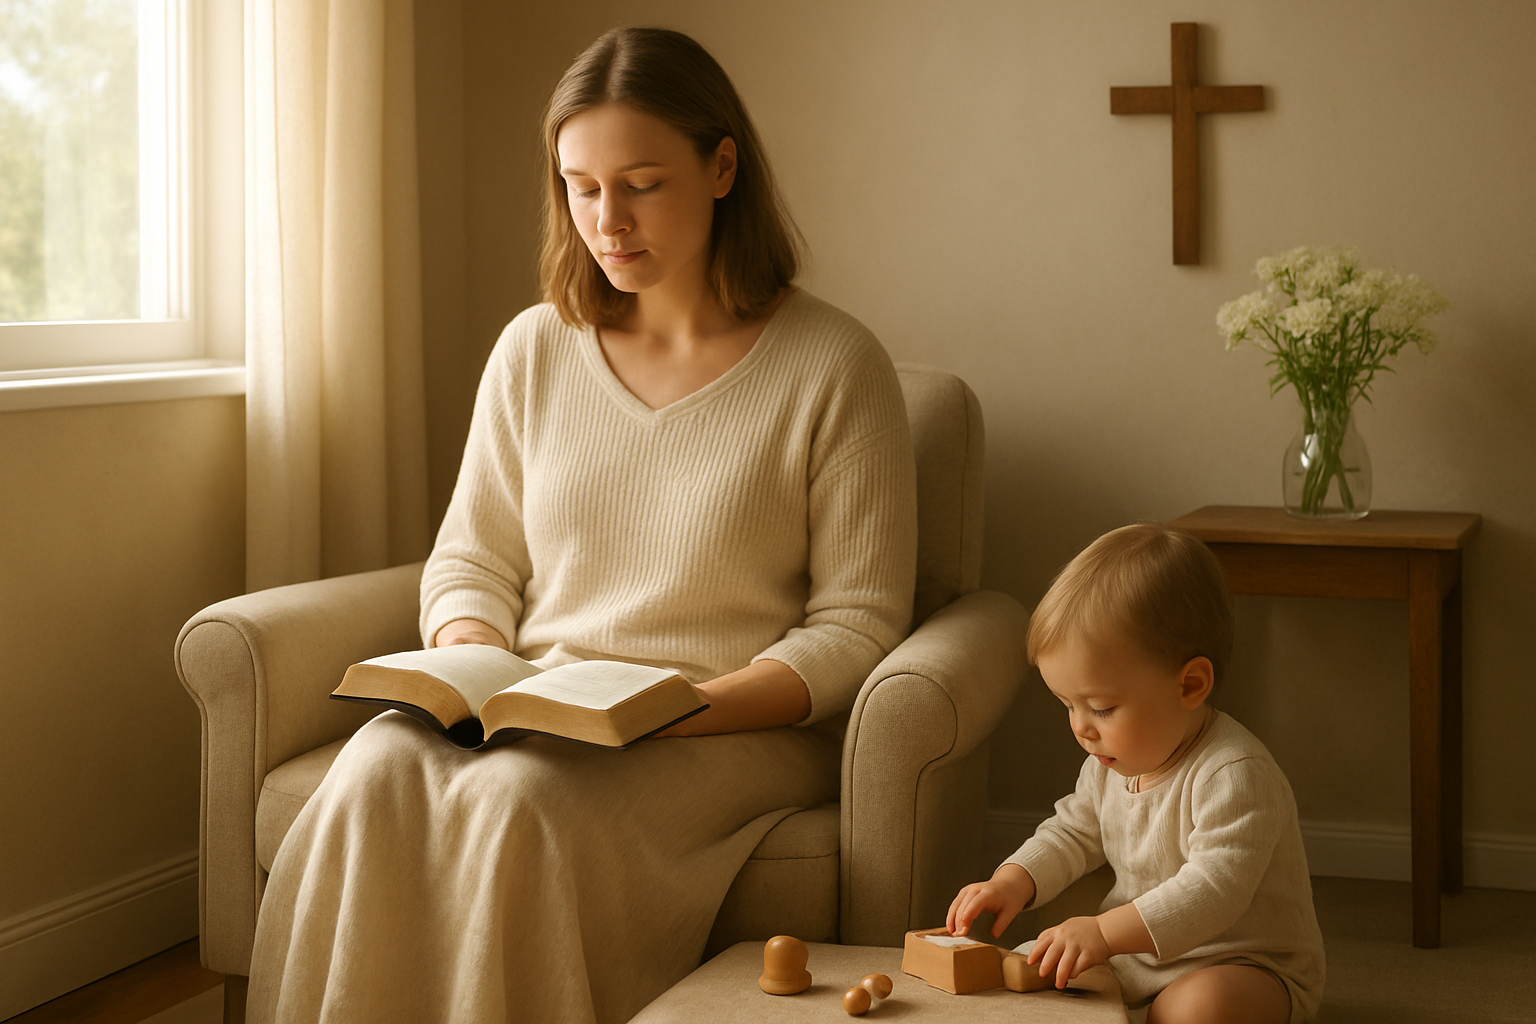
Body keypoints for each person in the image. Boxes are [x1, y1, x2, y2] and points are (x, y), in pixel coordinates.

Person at [245, 26, 917, 1024]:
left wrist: (687, 704)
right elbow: (471, 559)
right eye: (580, 185)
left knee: (520, 803)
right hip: (547, 703)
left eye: (641, 183)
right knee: (380, 763)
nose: (608, 219)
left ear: (722, 165)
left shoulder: (835, 365)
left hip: (729, 722)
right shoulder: (532, 348)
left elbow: (859, 625)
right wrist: (476, 664)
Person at [946, 524, 1325, 1024]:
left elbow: (1214, 890)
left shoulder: (1235, 774)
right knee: (1027, 969)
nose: (1081, 728)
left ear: (1190, 685)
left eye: (1101, 708)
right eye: (1067, 705)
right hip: (1134, 957)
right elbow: (1072, 831)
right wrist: (1013, 880)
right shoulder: (1107, 766)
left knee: (1196, 1009)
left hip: (1241, 963)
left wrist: (1103, 933)